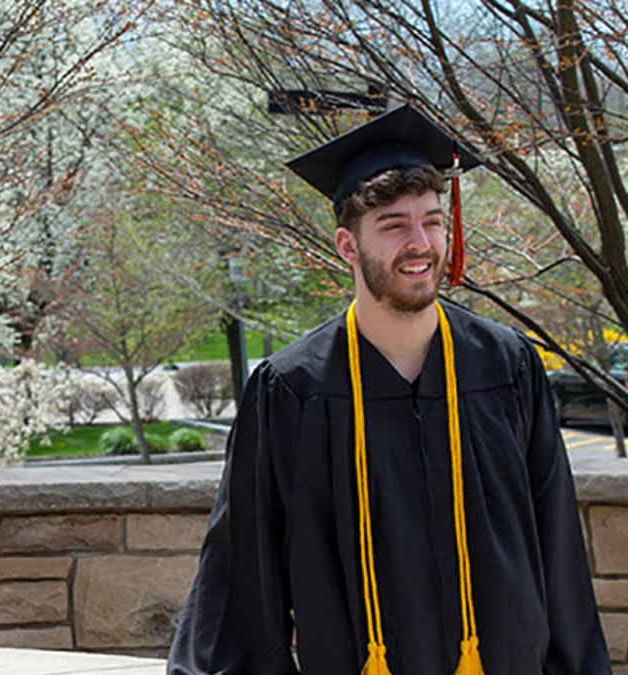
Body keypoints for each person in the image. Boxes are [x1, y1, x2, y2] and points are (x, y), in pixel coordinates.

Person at [167, 105, 610, 674]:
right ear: (348, 247)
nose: (420, 243)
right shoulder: (293, 391)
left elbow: (557, 550)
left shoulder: (507, 367)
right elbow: (244, 571)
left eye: (431, 221)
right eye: (394, 225)